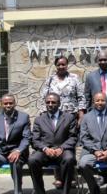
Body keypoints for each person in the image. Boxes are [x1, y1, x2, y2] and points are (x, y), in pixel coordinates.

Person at [40, 55, 86, 188]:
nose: (61, 66)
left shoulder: (74, 78)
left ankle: (71, 176)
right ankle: (58, 177)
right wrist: (44, 115)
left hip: (70, 116)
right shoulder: (50, 80)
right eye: (59, 64)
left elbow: (81, 96)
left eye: (64, 64)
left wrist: (81, 114)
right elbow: (44, 97)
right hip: (53, 116)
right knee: (55, 143)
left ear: (67, 65)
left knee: (69, 146)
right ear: (56, 66)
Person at [28, 92, 77, 194]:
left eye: (53, 102)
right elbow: (35, 139)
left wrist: (62, 148)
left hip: (63, 150)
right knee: (32, 160)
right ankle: (40, 191)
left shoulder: (69, 117)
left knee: (69, 159)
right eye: (48, 102)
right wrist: (45, 149)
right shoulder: (39, 119)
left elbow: (73, 137)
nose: (50, 104)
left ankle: (65, 191)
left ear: (59, 104)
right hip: (45, 151)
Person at [0, 94, 31, 194]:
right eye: (5, 103)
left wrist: (18, 151)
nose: (8, 105)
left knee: (15, 160)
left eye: (10, 103)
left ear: (15, 104)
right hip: (0, 154)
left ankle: (18, 191)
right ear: (1, 104)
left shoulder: (23, 117)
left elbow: (26, 138)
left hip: (18, 153)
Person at [79, 92, 107, 194]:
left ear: (106, 101)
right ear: (93, 102)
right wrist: (95, 151)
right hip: (91, 152)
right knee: (83, 164)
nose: (100, 102)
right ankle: (94, 187)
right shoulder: (86, 117)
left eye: (102, 100)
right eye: (97, 100)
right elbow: (84, 138)